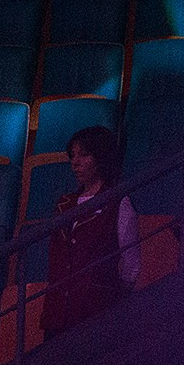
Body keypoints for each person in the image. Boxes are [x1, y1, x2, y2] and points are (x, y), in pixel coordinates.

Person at [44, 125, 140, 330]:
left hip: (95, 310)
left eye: (84, 155)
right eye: (73, 156)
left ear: (100, 158)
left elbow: (131, 262)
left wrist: (112, 297)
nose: (75, 163)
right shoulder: (64, 204)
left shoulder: (117, 203)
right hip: (59, 310)